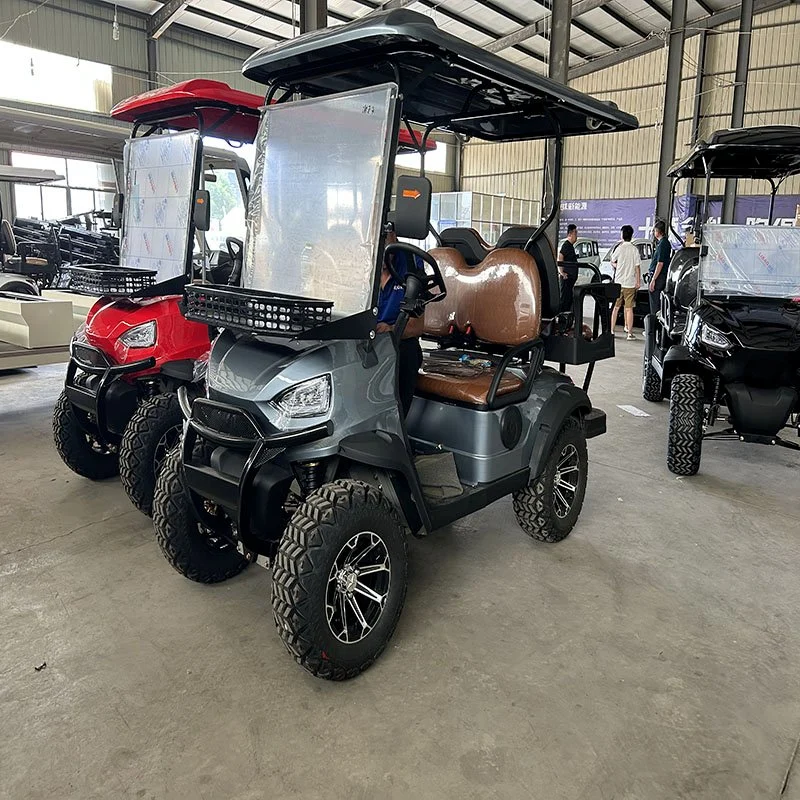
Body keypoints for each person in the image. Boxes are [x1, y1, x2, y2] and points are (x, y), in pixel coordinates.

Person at [377, 229, 424, 417]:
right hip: (363, 341)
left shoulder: (411, 261)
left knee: (406, 352)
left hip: (397, 342)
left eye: (384, 234)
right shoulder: (353, 260)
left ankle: (396, 427)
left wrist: (390, 329)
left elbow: (416, 326)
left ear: (393, 234)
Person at [610, 225, 641, 340]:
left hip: (618, 283)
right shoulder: (634, 249)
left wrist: (617, 266)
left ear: (622, 235)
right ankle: (629, 333)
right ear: (632, 235)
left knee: (616, 307)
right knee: (629, 309)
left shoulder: (619, 248)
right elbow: (637, 267)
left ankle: (612, 331)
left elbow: (612, 261)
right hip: (630, 283)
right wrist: (638, 282)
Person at [649, 220, 671, 317]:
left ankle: (653, 327)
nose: (654, 233)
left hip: (659, 277)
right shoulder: (662, 243)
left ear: (658, 231)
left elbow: (660, 263)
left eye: (654, 231)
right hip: (659, 276)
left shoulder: (663, 244)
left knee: (655, 303)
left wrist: (653, 279)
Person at [558, 223, 579, 313]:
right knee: (565, 299)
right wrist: (561, 272)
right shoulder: (566, 245)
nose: (576, 236)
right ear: (570, 234)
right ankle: (562, 317)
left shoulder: (571, 247)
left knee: (569, 299)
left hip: (571, 279)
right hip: (567, 278)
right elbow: (560, 257)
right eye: (575, 233)